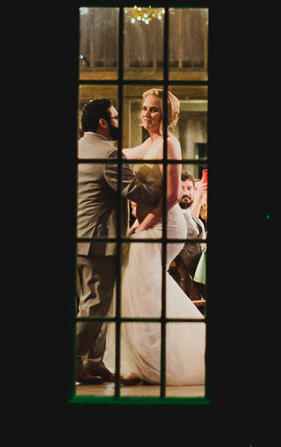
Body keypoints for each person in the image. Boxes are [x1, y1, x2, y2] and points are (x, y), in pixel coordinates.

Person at [105, 88, 207, 387]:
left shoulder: (170, 145)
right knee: (142, 286)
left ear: (168, 115)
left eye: (153, 110)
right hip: (147, 223)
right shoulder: (150, 143)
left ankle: (163, 360)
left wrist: (142, 223)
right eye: (144, 108)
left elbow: (173, 195)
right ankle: (145, 359)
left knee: (144, 284)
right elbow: (121, 155)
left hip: (166, 224)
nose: (146, 114)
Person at [75, 97, 157, 385]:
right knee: (94, 307)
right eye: (116, 117)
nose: (119, 122)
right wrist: (158, 180)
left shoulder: (80, 147)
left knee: (94, 304)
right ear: (103, 122)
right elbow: (136, 191)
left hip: (82, 239)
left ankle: (94, 364)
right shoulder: (108, 154)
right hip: (99, 242)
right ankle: (74, 362)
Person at [170, 173, 207, 301]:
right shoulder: (171, 216)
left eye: (189, 188)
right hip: (182, 281)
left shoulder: (193, 218)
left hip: (198, 278)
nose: (186, 192)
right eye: (181, 188)